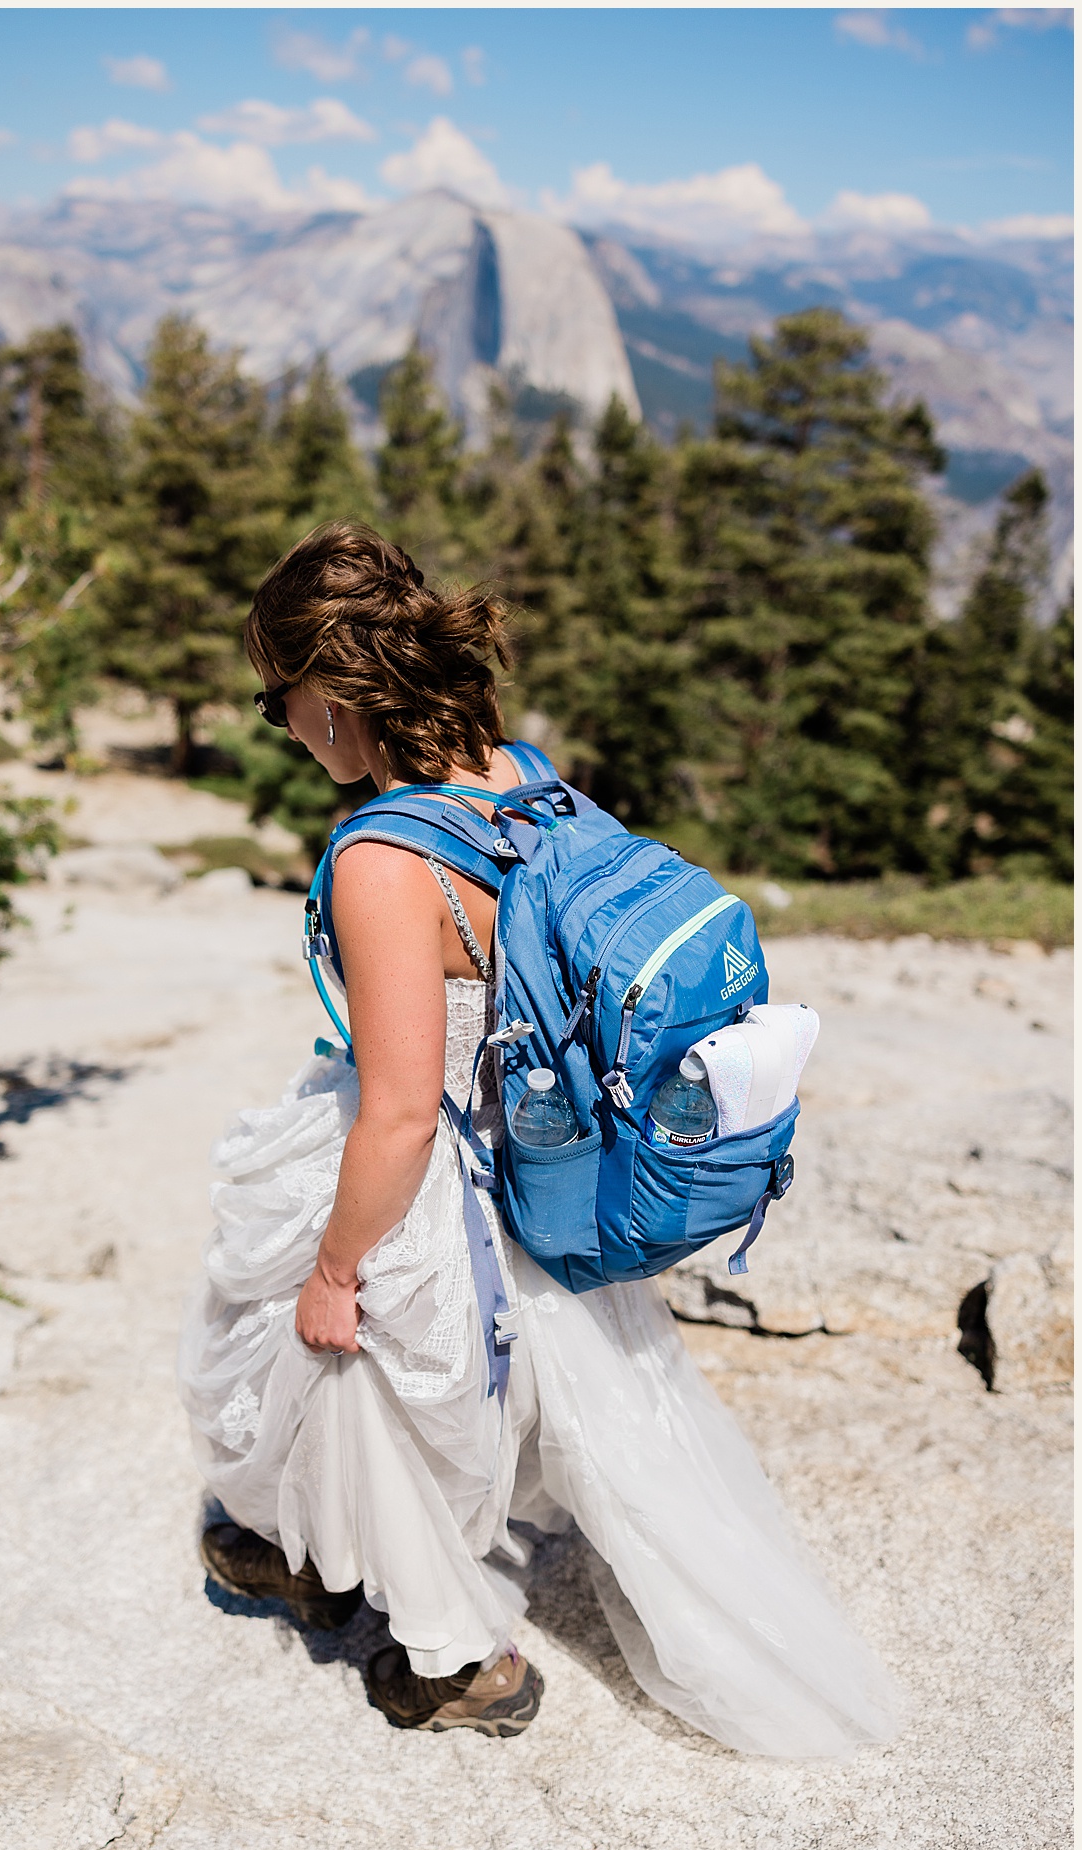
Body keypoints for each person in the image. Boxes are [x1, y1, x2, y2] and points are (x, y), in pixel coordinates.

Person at [176, 520, 901, 1753]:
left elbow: (402, 1112)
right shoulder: (526, 775)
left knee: (347, 1361)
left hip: (443, 1165)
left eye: (277, 700)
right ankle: (293, 1543)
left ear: (337, 695)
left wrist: (338, 1268)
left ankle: (458, 1659)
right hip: (549, 1154)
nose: (282, 728)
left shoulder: (381, 859)